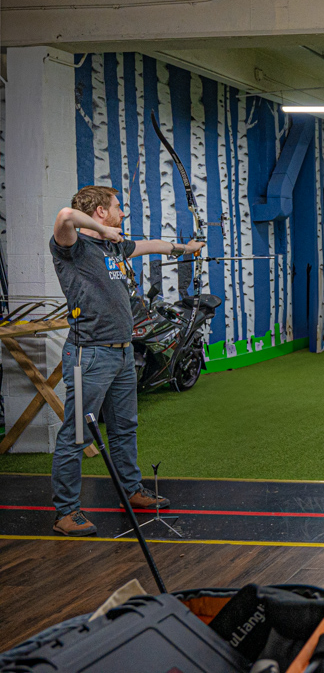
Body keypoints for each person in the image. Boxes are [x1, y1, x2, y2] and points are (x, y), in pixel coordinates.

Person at [49, 185, 205, 536]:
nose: (123, 212)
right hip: (90, 354)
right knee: (76, 435)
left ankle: (131, 490)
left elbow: (153, 246)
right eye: (117, 207)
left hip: (122, 353)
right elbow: (65, 215)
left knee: (124, 428)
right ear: (100, 212)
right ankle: (66, 512)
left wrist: (186, 249)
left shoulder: (115, 247)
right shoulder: (73, 246)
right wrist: (102, 231)